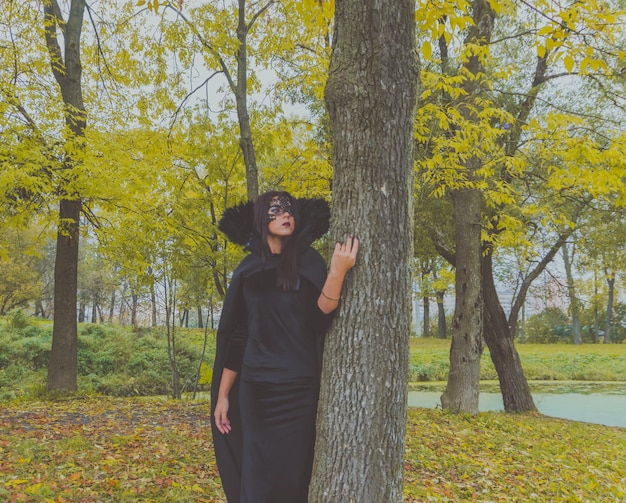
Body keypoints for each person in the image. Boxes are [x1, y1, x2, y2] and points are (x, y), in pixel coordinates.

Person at [210, 191, 359, 503]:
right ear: (261, 219)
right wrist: (223, 396)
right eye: (275, 210)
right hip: (256, 390)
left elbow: (319, 320)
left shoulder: (310, 263)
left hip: (299, 390)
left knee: (293, 475)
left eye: (289, 209)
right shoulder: (248, 270)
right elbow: (237, 338)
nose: (284, 214)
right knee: (257, 471)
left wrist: (338, 272)